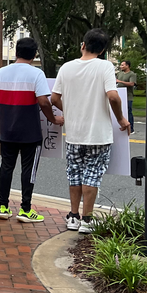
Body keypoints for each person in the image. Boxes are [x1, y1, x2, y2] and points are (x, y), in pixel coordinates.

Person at [51, 29, 130, 234]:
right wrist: (121, 118)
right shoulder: (105, 66)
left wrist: (69, 110)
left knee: (74, 174)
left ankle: (73, 216)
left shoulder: (66, 68)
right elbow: (113, 96)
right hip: (98, 134)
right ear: (103, 50)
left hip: (74, 133)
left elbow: (54, 98)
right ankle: (87, 219)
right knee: (92, 176)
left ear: (83, 45)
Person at [0, 38, 64, 223]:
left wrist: (2, 114)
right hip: (30, 132)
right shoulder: (36, 74)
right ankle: (25, 209)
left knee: (6, 167)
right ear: (35, 54)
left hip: (7, 130)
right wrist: (53, 119)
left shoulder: (0, 73)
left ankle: (3, 207)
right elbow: (44, 101)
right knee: (28, 170)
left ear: (16, 53)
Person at [116, 60, 138, 133]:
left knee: (128, 112)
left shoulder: (132, 74)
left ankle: (131, 128)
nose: (121, 66)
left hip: (128, 96)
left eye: (122, 65)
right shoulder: (119, 74)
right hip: (120, 95)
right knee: (119, 111)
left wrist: (120, 81)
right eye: (121, 65)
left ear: (127, 66)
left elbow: (132, 84)